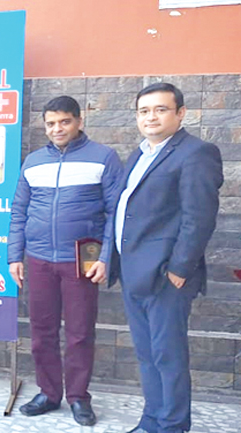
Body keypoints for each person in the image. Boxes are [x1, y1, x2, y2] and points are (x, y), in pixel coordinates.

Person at [112, 83, 223, 433]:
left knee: (168, 356)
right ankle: (151, 421)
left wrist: (179, 269)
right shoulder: (140, 154)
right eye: (144, 111)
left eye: (160, 109)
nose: (151, 117)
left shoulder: (196, 153)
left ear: (180, 113)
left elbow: (199, 217)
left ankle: (173, 425)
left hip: (166, 276)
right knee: (147, 355)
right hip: (134, 272)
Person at [8, 96, 123, 426]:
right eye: (50, 123)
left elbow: (116, 212)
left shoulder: (103, 157)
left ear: (79, 121)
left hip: (82, 260)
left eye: (64, 122)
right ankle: (48, 392)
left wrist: (105, 257)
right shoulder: (32, 162)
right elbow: (19, 211)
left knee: (79, 332)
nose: (57, 129)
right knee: (42, 331)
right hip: (39, 258)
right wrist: (14, 255)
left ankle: (78, 397)